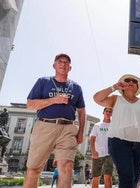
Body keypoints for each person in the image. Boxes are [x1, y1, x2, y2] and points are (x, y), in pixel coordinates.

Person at [23, 53, 86, 188]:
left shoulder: (76, 87)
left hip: (68, 128)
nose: (63, 64)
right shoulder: (43, 81)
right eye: (60, 61)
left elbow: (81, 111)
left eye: (66, 62)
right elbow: (30, 105)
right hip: (45, 126)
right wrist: (53, 100)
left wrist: (81, 131)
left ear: (70, 68)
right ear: (54, 65)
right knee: (34, 169)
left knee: (66, 166)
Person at [93, 74, 140, 188]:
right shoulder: (116, 99)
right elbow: (97, 98)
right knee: (127, 176)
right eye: (127, 80)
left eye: (133, 81)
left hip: (139, 143)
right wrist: (114, 87)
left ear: (137, 87)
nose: (130, 82)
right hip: (118, 142)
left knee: (135, 179)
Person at [90, 107, 113, 188]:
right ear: (103, 112)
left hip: (109, 154)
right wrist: (93, 151)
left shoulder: (114, 125)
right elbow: (92, 139)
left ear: (112, 114)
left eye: (110, 111)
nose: (108, 112)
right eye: (106, 111)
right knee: (96, 177)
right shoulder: (97, 125)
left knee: (108, 176)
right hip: (97, 153)